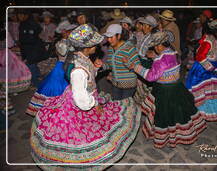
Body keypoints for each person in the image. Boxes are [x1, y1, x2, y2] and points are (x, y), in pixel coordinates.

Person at [30, 24, 141, 170]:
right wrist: (95, 103)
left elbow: (88, 79)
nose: (98, 46)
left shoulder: (82, 57)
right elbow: (81, 101)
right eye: (95, 44)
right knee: (81, 136)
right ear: (87, 47)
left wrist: (94, 68)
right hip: (78, 104)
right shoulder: (78, 69)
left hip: (85, 96)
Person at [123, 31, 206, 148]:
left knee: (164, 115)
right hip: (177, 87)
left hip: (165, 91)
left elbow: (151, 77)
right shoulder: (173, 52)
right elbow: (167, 64)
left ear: (158, 46)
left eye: (154, 47)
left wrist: (135, 67)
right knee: (179, 113)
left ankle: (167, 137)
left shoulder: (160, 60)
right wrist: (156, 56)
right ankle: (183, 134)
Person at [186, 18, 217, 122]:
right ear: (216, 30)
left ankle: (208, 111)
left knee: (210, 91)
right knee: (202, 91)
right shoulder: (209, 39)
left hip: (211, 68)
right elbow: (200, 56)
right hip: (203, 70)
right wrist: (211, 68)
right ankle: (200, 112)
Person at [102, 24, 140, 100]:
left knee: (125, 108)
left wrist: (128, 64)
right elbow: (110, 64)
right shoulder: (111, 48)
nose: (109, 40)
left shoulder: (129, 48)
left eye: (111, 37)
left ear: (118, 36)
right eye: (108, 37)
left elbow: (138, 67)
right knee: (117, 106)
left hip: (128, 86)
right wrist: (101, 66)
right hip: (116, 84)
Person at [19, 12, 47, 88]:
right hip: (29, 48)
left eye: (21, 14)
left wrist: (22, 41)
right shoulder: (24, 23)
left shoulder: (29, 24)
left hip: (32, 49)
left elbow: (31, 37)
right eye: (18, 15)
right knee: (32, 64)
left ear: (26, 15)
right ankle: (39, 78)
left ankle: (39, 85)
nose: (19, 17)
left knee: (30, 65)